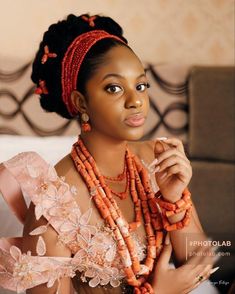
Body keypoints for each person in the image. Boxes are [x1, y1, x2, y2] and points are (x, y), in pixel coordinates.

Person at [0, 13, 219, 294]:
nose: (135, 100)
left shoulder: (156, 157)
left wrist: (173, 201)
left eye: (140, 86)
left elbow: (201, 267)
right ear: (81, 102)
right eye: (114, 88)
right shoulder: (53, 203)